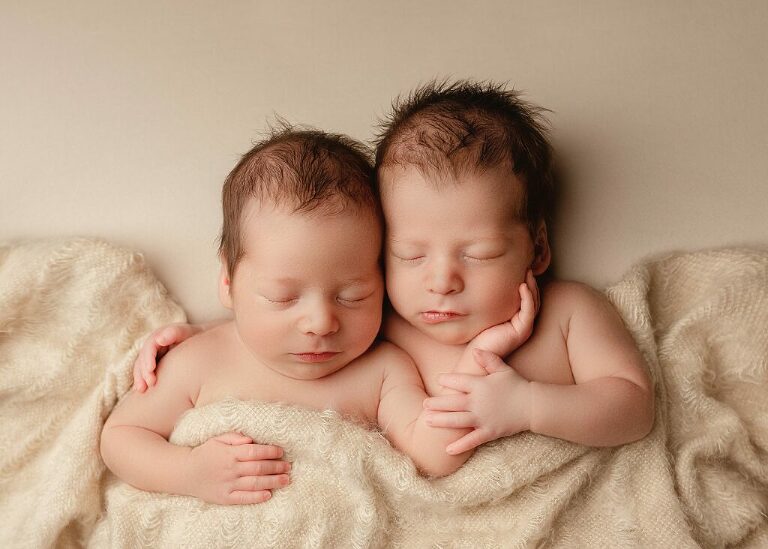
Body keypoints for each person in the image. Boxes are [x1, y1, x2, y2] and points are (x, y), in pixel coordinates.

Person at [134, 80, 654, 464]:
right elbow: (301, 323)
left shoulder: (570, 312)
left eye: (478, 253)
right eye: (409, 256)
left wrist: (531, 405)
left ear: (537, 248)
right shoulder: (384, 325)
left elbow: (634, 408)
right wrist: (202, 334)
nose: (442, 280)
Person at [101, 125, 537, 506]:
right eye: (283, 297)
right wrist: (189, 472)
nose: (320, 323)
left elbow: (435, 456)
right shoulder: (201, 359)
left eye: (353, 296)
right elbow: (120, 438)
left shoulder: (383, 370)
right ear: (229, 285)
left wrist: (478, 358)